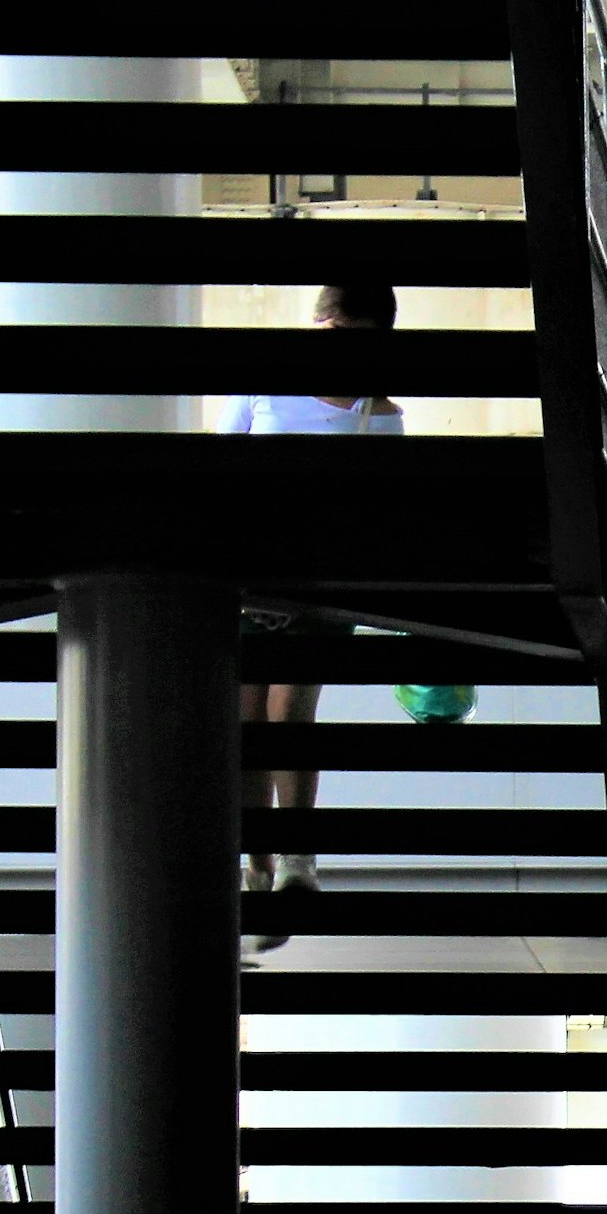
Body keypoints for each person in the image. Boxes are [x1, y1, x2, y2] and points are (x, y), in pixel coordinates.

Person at [229, 280, 404, 941]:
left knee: (288, 708)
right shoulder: (272, 389)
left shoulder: (376, 412)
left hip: (319, 576)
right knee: (253, 719)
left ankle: (290, 860)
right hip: (259, 570)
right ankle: (263, 862)